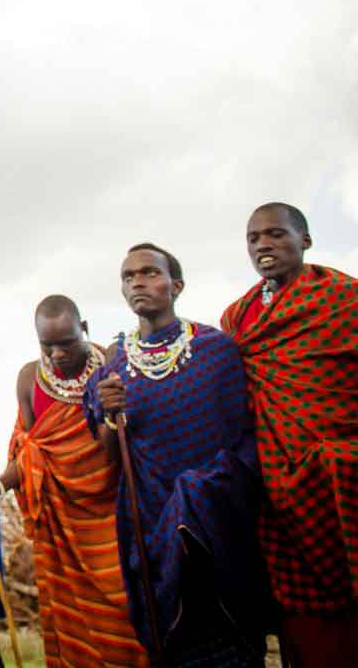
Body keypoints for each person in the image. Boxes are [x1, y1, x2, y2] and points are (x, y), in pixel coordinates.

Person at [85, 243, 269, 666]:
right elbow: (112, 455)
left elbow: (243, 437)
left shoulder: (215, 350)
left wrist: (203, 492)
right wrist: (111, 415)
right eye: (128, 276)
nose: (137, 283)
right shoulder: (114, 364)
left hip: (220, 518)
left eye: (149, 273)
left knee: (233, 638)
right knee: (174, 636)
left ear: (176, 285)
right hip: (149, 516)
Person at [0, 296, 147, 667]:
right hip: (61, 527)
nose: (57, 354)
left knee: (126, 615)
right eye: (47, 344)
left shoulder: (111, 364)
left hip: (112, 518)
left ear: (84, 329)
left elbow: (130, 437)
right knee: (72, 625)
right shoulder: (29, 379)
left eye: (66, 342)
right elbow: (33, 455)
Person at [221, 202, 358, 666]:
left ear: (306, 240)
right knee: (301, 614)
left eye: (276, 234)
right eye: (254, 238)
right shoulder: (238, 318)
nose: (263, 245)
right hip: (277, 484)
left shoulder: (344, 299)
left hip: (344, 478)